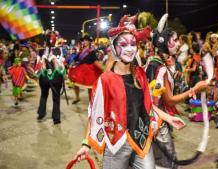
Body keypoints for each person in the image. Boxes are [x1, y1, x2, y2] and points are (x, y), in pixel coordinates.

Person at [75, 15, 185, 169]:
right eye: (124, 44)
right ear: (114, 47)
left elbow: (146, 105)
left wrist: (169, 118)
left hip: (141, 140)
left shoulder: (140, 73)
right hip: (116, 145)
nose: (129, 48)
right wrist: (86, 144)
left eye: (133, 44)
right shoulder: (105, 80)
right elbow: (95, 114)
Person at [147, 14, 209, 169]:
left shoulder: (155, 62)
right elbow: (168, 100)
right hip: (158, 123)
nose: (178, 44)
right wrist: (195, 89)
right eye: (174, 40)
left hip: (154, 120)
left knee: (160, 159)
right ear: (163, 43)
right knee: (166, 163)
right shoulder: (159, 67)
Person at [34, 30, 66, 124]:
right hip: (55, 77)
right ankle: (56, 118)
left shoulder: (40, 51)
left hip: (44, 77)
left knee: (44, 94)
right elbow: (61, 64)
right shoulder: (59, 50)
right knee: (56, 97)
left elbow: (38, 64)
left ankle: (41, 113)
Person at [68, 35, 102, 103]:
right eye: (83, 40)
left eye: (86, 40)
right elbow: (75, 59)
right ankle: (77, 97)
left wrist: (103, 69)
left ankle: (91, 102)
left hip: (89, 71)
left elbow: (95, 61)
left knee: (90, 87)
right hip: (80, 70)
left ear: (89, 42)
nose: (84, 42)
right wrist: (70, 63)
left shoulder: (92, 51)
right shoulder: (81, 51)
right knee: (75, 84)